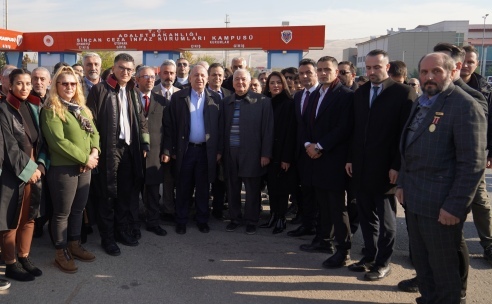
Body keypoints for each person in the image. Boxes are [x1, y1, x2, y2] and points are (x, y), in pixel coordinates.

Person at [397, 52, 486, 304]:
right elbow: (408, 146)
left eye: (436, 71)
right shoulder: (423, 101)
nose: (429, 77)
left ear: (451, 71)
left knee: (444, 269)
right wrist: (402, 182)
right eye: (424, 72)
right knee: (423, 264)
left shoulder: (465, 106)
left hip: (441, 206)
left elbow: (472, 164)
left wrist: (455, 206)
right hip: (414, 200)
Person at [346, 49, 416, 281]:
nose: (372, 71)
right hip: (362, 167)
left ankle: (384, 262)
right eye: (368, 67)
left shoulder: (403, 93)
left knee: (386, 220)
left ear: (387, 67)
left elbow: (404, 135)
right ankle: (370, 256)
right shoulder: (360, 92)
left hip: (387, 170)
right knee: (366, 216)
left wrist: (397, 165)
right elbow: (354, 129)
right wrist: (350, 158)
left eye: (377, 67)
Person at [87, 53, 150, 256]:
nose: (125, 72)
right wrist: (94, 149)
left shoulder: (132, 90)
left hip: (129, 149)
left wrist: (145, 143)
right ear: (113, 68)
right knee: (107, 195)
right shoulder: (99, 90)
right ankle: (108, 238)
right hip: (108, 150)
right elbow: (91, 124)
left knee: (125, 194)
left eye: (129, 69)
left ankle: (121, 230)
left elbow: (140, 118)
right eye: (121, 68)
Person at [40, 66, 99, 273]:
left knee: (77, 210)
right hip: (63, 169)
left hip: (85, 167)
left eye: (73, 83)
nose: (69, 87)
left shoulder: (81, 108)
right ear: (56, 85)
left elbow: (94, 133)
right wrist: (85, 158)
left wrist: (93, 153)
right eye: (64, 83)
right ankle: (60, 252)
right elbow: (58, 142)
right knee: (62, 213)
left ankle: (74, 245)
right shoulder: (51, 110)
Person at [300, 56, 354, 268]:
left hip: (333, 159)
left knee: (337, 207)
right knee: (323, 204)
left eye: (327, 69)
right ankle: (325, 241)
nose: (323, 73)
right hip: (315, 158)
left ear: (336, 71)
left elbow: (344, 128)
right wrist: (307, 145)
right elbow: (306, 122)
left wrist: (320, 146)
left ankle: (343, 250)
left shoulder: (345, 96)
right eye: (320, 69)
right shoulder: (316, 94)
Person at [0, 68, 48, 281]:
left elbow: (42, 142)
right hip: (13, 175)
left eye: (28, 83)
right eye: (20, 83)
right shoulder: (3, 109)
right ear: (10, 85)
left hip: (35, 173)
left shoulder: (33, 107)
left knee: (30, 218)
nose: (25, 87)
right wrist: (28, 171)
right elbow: (8, 147)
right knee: (12, 220)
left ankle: (24, 256)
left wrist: (40, 167)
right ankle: (11, 263)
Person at [164, 65, 223, 234]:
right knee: (183, 186)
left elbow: (220, 127)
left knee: (203, 187)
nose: (199, 78)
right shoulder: (178, 97)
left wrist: (219, 150)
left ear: (208, 78)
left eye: (203, 75)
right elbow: (171, 125)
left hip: (206, 151)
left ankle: (202, 219)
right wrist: (172, 149)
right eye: (196, 75)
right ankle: (181, 220)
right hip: (186, 150)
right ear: (189, 78)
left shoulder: (215, 98)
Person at [223, 69, 273, 235]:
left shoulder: (262, 102)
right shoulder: (226, 102)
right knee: (232, 187)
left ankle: (251, 220)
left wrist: (266, 153)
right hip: (231, 152)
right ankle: (235, 218)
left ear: (250, 81)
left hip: (253, 152)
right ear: (232, 82)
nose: (240, 83)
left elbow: (268, 130)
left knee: (252, 189)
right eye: (237, 79)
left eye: (243, 79)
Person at [259, 71, 296, 234]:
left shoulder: (288, 103)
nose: (275, 86)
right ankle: (273, 215)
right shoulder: (266, 102)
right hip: (269, 152)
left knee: (281, 189)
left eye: (278, 82)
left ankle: (281, 219)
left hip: (282, 154)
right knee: (272, 188)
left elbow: (290, 133)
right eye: (272, 83)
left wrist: (286, 158)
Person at [288, 58, 320, 240]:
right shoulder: (299, 96)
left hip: (318, 153)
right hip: (301, 153)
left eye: (308, 72)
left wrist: (316, 146)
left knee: (318, 195)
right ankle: (307, 225)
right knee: (305, 191)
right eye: (301, 73)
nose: (305, 76)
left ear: (315, 73)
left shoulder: (322, 95)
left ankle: (318, 229)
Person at [135, 66, 168, 236]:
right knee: (133, 191)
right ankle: (133, 223)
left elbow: (168, 129)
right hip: (133, 154)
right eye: (145, 76)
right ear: (137, 79)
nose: (149, 80)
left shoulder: (162, 101)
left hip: (155, 153)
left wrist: (167, 151)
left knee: (154, 192)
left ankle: (153, 222)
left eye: (152, 76)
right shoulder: (129, 99)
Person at [152, 59, 180, 222]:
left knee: (169, 180)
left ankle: (168, 210)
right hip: (155, 144)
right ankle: (152, 211)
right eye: (165, 72)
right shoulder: (152, 91)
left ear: (175, 75)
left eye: (171, 73)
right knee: (153, 181)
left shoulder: (181, 93)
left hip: (173, 145)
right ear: (159, 73)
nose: (168, 76)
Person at [207, 63, 231, 220]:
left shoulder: (229, 94)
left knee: (221, 181)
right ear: (208, 76)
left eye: (220, 75)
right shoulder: (201, 94)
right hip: (207, 145)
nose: (217, 78)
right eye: (214, 74)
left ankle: (217, 210)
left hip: (227, 145)